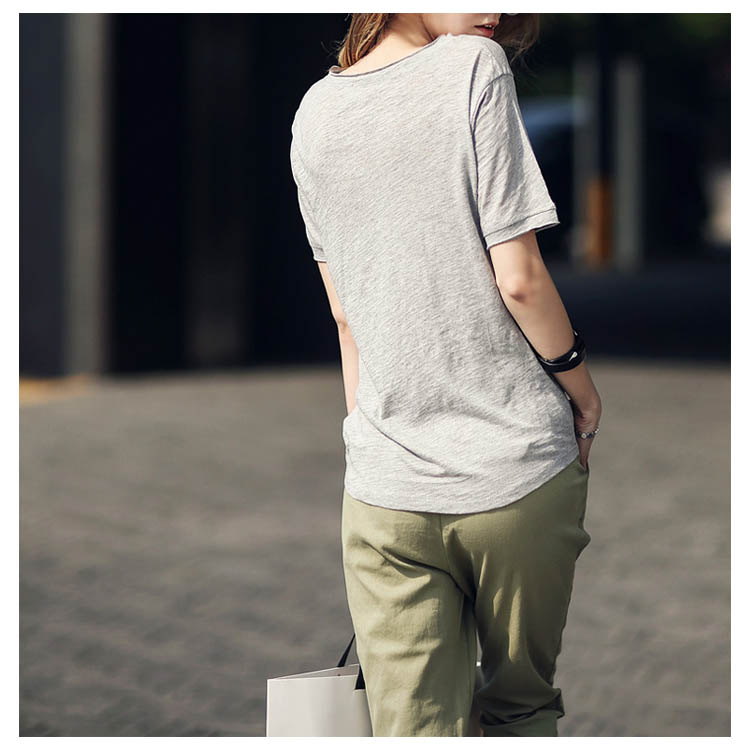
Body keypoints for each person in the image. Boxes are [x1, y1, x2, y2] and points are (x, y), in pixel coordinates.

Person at [289, 12, 603, 738]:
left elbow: (345, 317)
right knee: (520, 710)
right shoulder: (472, 66)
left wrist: (374, 443)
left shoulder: (314, 111)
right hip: (515, 469)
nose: (496, 9)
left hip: (384, 489)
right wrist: (582, 390)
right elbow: (519, 277)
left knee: (411, 727)